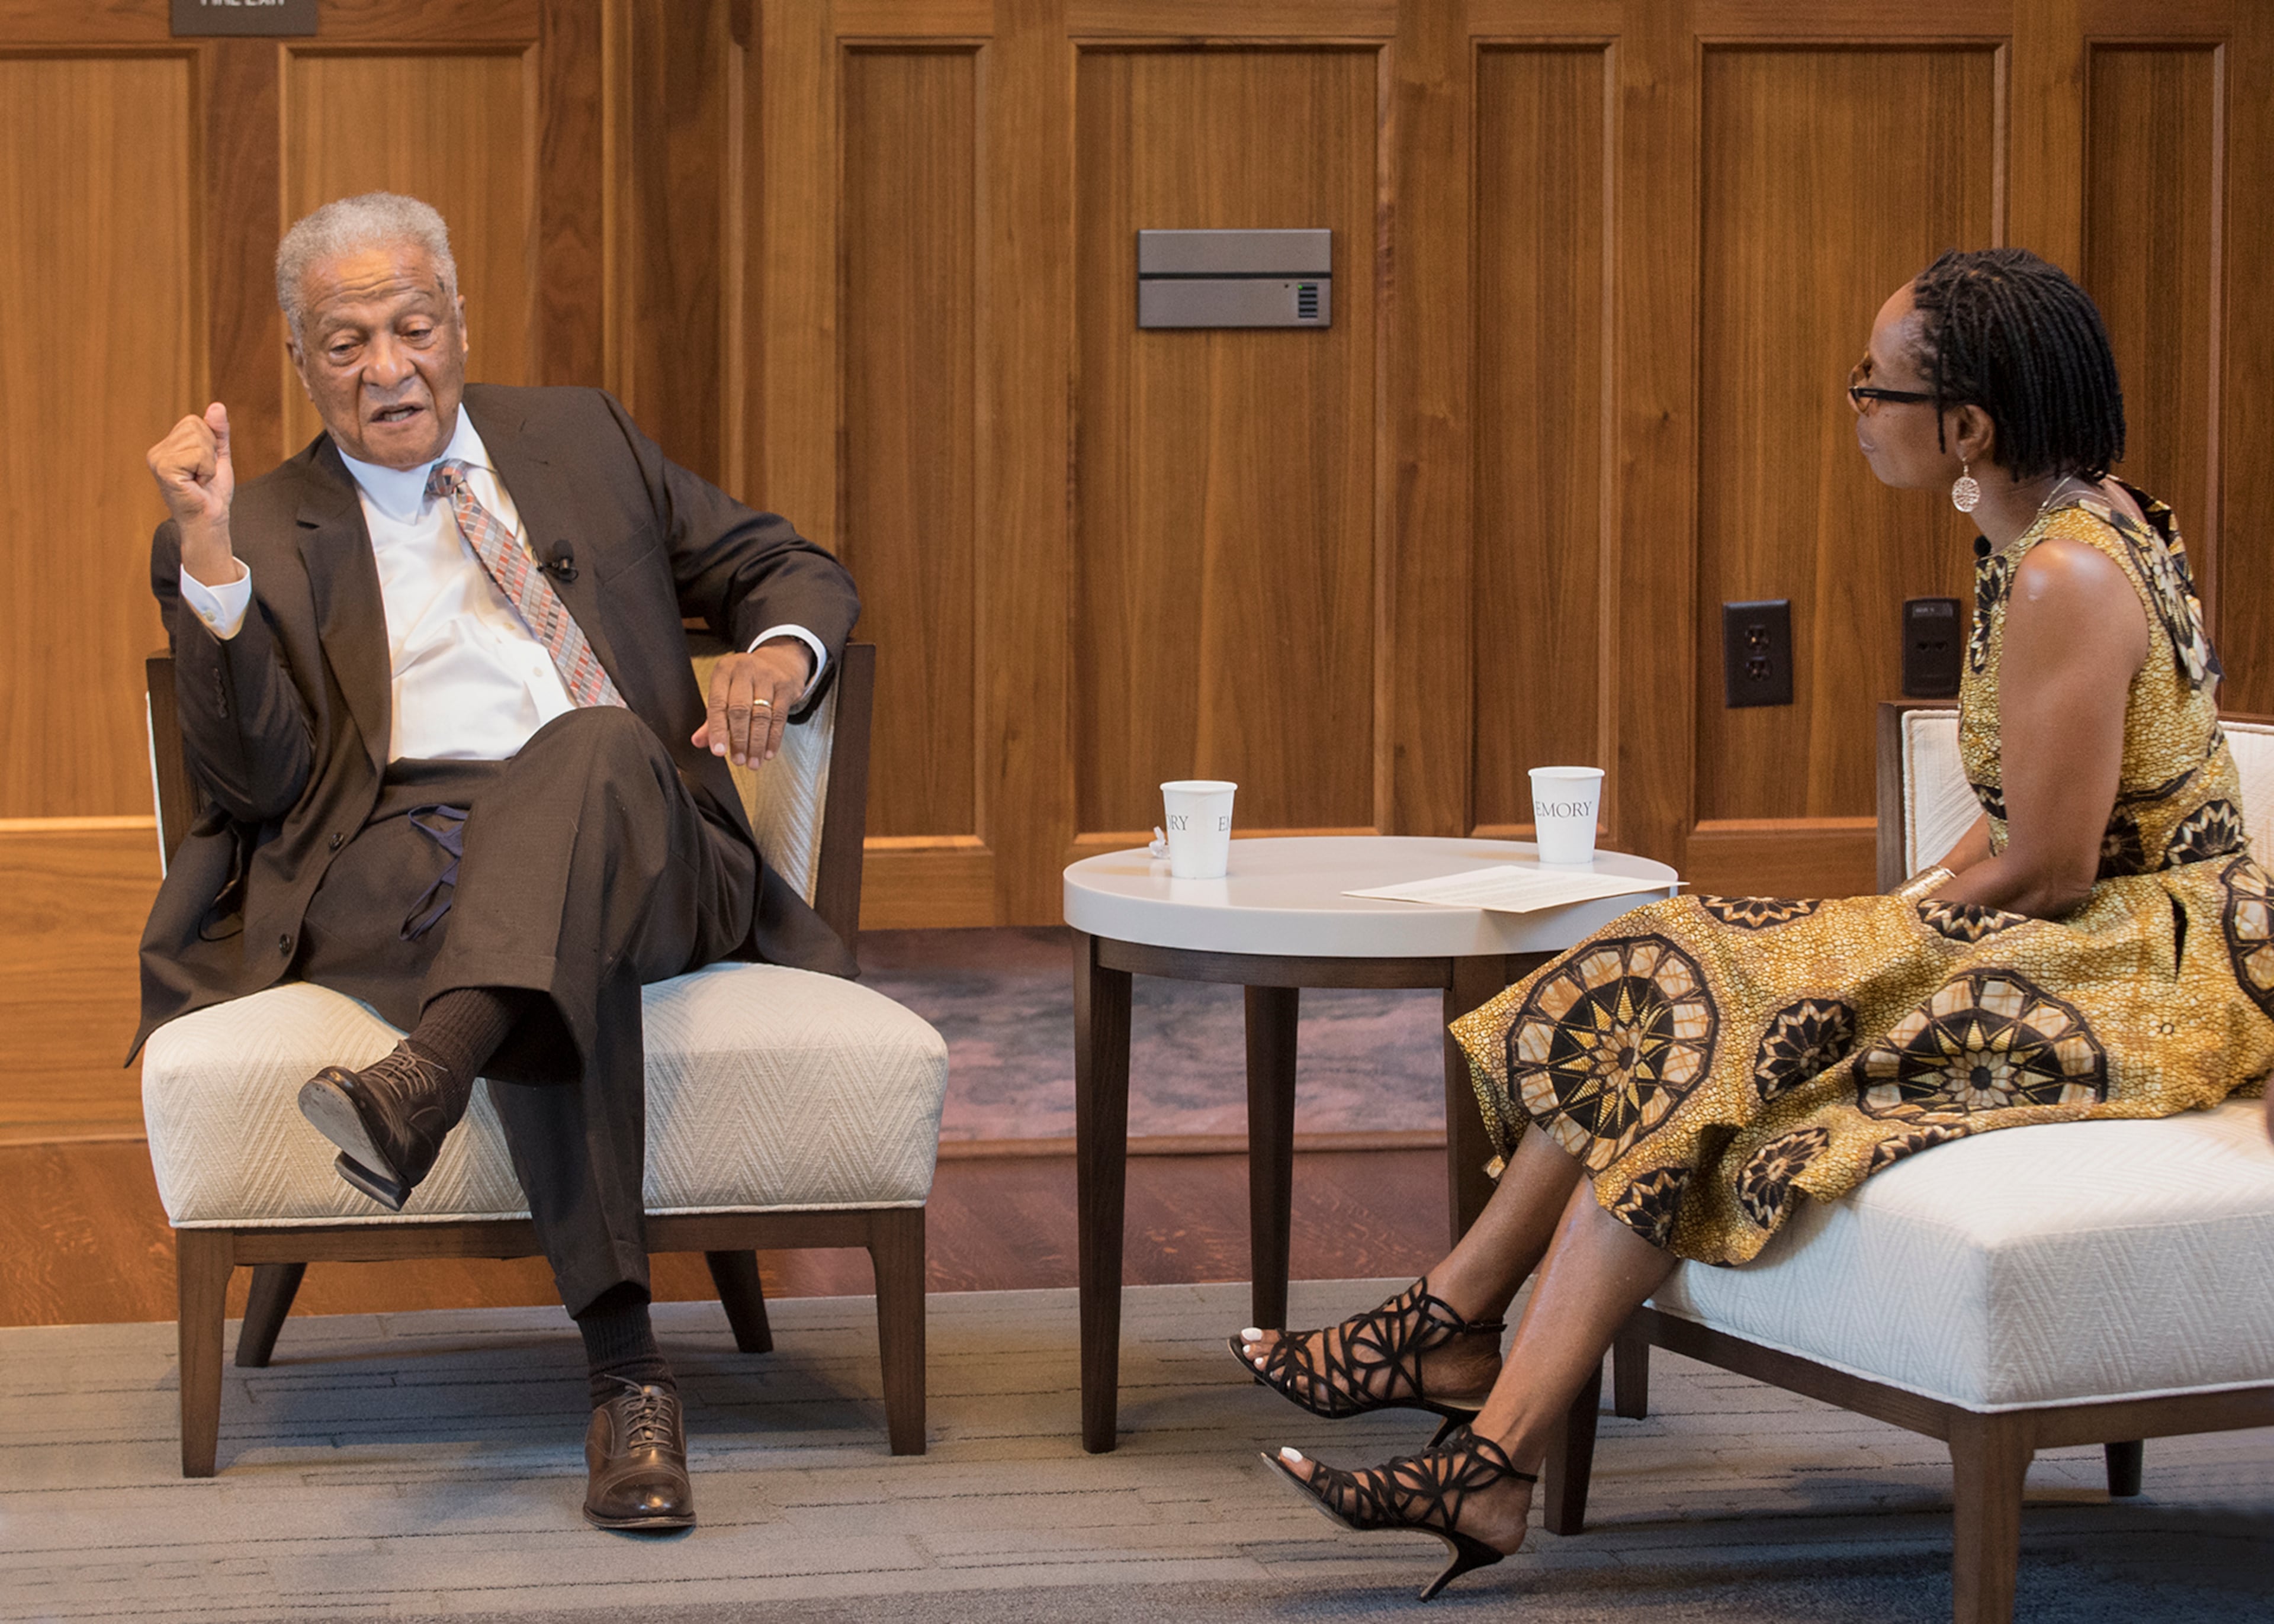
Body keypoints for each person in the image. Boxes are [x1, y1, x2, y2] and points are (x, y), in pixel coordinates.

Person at [1231, 247, 2274, 1599]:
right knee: (1677, 979)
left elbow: (2059, 863)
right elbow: (2022, 807)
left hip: (2151, 969)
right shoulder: (2046, 533)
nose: (1854, 405)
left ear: (1968, 427)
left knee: (1723, 996)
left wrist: (1875, 937)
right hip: (2088, 926)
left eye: (1875, 386)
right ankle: (1469, 1409)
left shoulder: (2072, 573)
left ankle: (1455, 1370)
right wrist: (1888, 916)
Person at [135, 192, 859, 1533]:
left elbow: (788, 563)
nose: (389, 367)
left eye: (413, 326)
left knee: (581, 755)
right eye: (346, 343)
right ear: (301, 361)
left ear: (459, 323)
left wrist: (775, 654)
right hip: (403, 851)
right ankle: (628, 1378)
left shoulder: (579, 435)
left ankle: (421, 1079)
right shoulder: (261, 522)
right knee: (526, 922)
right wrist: (209, 560)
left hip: (636, 818)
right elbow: (259, 790)